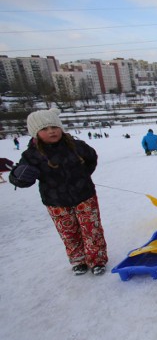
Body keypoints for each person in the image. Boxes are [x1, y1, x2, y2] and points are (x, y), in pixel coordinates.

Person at [9, 108, 108, 275]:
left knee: (92, 229)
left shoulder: (76, 146)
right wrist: (18, 177)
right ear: (35, 133)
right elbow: (21, 177)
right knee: (69, 232)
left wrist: (83, 175)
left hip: (84, 195)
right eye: (45, 129)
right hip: (55, 201)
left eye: (54, 127)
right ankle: (78, 260)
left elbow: (92, 158)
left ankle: (96, 259)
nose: (51, 131)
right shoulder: (31, 155)